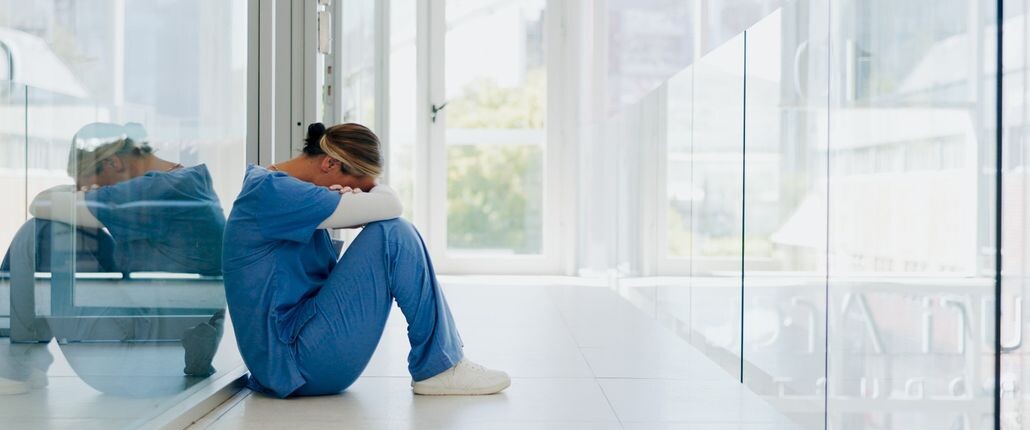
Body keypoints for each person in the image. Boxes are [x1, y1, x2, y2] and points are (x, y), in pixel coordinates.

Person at [222, 122, 510, 398]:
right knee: (392, 233)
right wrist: (373, 193)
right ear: (330, 164)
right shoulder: (274, 192)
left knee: (392, 229)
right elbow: (391, 205)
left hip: (297, 354)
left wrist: (355, 193)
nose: (360, 192)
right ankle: (441, 367)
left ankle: (442, 363)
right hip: (294, 362)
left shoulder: (284, 190)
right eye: (359, 185)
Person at [0, 122, 227, 395]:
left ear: (113, 162)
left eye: (92, 186)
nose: (94, 193)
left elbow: (40, 203)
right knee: (75, 229)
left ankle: (16, 370)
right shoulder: (187, 181)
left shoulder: (157, 191)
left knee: (41, 231)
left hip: (142, 364)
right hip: (179, 356)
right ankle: (20, 367)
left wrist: (79, 196)